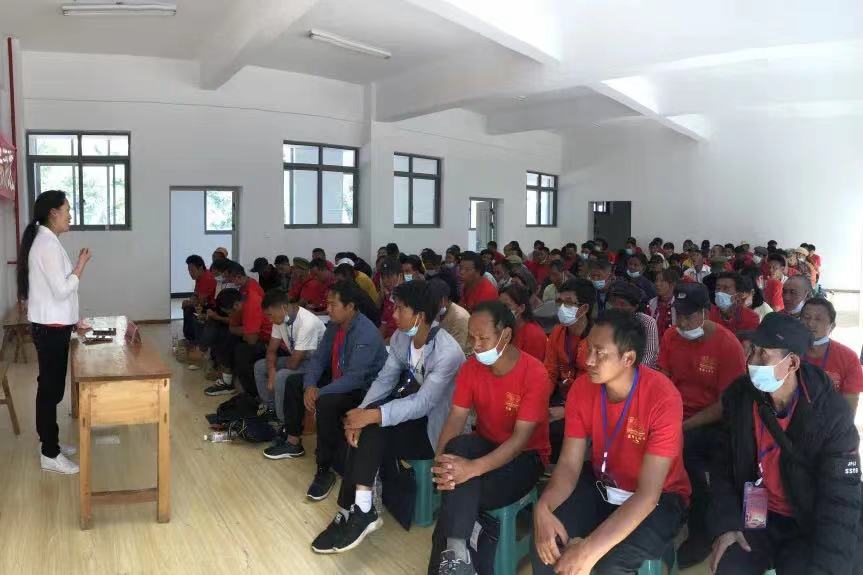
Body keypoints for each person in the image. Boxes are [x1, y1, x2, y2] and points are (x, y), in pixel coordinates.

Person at [311, 280, 466, 554]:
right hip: (411, 413)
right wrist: (362, 412)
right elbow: (385, 380)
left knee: (373, 427)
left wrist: (373, 415)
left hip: (438, 428)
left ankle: (359, 510)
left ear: (419, 315)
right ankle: (353, 510)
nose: (393, 314)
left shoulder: (448, 352)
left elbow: (424, 403)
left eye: (400, 309)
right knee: (364, 428)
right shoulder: (401, 338)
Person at [531, 309, 690, 575]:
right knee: (548, 545)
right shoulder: (582, 388)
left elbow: (648, 495)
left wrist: (589, 549)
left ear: (628, 358)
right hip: (603, 483)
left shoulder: (663, 397)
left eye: (600, 353)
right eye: (588, 349)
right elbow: (569, 464)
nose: (589, 360)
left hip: (661, 498)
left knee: (609, 564)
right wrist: (544, 508)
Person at [707, 313, 862, 575]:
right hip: (756, 517)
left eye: (763, 354)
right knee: (730, 565)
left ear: (791, 363)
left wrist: (828, 567)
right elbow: (721, 466)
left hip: (806, 522)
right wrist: (727, 523)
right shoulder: (740, 396)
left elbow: (841, 499)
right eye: (752, 350)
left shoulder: (830, 414)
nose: (751, 361)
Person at [430, 301, 551, 574]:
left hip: (526, 458)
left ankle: (453, 555)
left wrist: (471, 469)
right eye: (471, 337)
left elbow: (519, 441)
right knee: (455, 450)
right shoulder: (471, 368)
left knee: (459, 486)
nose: (475, 345)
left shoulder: (534, 373)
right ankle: (457, 555)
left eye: (483, 338)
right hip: (486, 445)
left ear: (505, 335)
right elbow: (456, 418)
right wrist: (440, 459)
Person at [657, 282, 747, 566]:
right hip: (675, 415)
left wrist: (682, 427)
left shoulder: (727, 345)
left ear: (706, 312)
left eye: (689, 316)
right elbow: (663, 380)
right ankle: (665, 514)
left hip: (712, 421)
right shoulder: (670, 337)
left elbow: (725, 405)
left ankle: (701, 530)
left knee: (688, 454)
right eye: (678, 315)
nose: (682, 323)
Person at [18, 190, 92, 475]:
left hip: (54, 327)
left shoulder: (46, 240)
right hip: (50, 330)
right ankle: (50, 453)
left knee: (51, 390)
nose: (70, 215)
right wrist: (81, 266)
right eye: (67, 210)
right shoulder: (47, 244)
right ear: (53, 213)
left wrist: (73, 321)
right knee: (50, 392)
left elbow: (52, 292)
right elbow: (62, 291)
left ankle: (51, 443)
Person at [300, 281, 388, 501]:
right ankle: (292, 441)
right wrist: (310, 386)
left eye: (333, 305)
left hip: (365, 392)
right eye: (327, 304)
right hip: (342, 380)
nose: (328, 309)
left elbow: (355, 378)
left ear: (350, 307)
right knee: (297, 382)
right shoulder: (335, 326)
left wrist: (319, 392)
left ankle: (324, 469)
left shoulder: (366, 332)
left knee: (326, 402)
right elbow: (318, 359)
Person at [256, 289, 326, 458]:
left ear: (283, 308)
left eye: (270, 315)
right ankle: (272, 409)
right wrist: (271, 371)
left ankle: (285, 425)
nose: (269, 320)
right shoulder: (280, 319)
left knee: (282, 376)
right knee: (260, 367)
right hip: (297, 358)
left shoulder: (307, 322)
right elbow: (271, 350)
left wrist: (276, 373)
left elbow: (294, 363)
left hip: (315, 365)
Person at [544, 278, 596, 464]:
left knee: (558, 429)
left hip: (588, 403)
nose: (561, 307)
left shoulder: (597, 339)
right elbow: (549, 372)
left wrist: (567, 410)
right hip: (562, 394)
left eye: (568, 302)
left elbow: (597, 389)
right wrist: (539, 401)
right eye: (559, 301)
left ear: (584, 308)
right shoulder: (557, 332)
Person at [204, 262, 272, 397]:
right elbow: (236, 322)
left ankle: (236, 385)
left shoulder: (253, 296)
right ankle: (225, 375)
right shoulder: (243, 290)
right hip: (252, 329)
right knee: (223, 332)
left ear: (238, 277)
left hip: (265, 338)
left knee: (236, 344)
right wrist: (235, 326)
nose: (228, 281)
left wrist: (236, 328)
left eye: (229, 278)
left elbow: (251, 337)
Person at [801, 298, 863, 413]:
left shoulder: (849, 358)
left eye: (818, 319)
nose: (810, 323)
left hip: (829, 421)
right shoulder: (788, 351)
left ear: (832, 326)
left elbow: (849, 409)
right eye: (806, 317)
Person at [606, 281, 659, 369]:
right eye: (615, 303)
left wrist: (630, 373)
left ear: (635, 306)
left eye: (622, 304)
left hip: (641, 371)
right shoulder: (608, 321)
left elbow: (649, 356)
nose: (617, 307)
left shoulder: (648, 322)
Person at [181, 254, 217, 363]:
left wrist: (189, 302)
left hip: (211, 307)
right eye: (189, 270)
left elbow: (201, 301)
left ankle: (195, 343)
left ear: (200, 268)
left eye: (192, 270)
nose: (190, 273)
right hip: (204, 304)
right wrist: (189, 301)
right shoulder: (200, 277)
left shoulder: (207, 278)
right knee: (188, 308)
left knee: (190, 310)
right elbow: (196, 295)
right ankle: (190, 340)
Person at [499, 284, 547, 361]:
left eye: (506, 306)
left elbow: (532, 367)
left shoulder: (533, 335)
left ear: (521, 308)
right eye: (499, 306)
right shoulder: (505, 328)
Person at [430, 278, 471, 356]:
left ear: (444, 300)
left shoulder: (460, 318)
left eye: (433, 301)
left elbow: (456, 350)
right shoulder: (436, 311)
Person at [648, 269, 678, 339]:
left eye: (662, 281)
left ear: (672, 284)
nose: (657, 284)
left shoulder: (678, 304)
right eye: (656, 280)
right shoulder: (651, 303)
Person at [378, 258, 402, 343]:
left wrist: (386, 342)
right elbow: (384, 325)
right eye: (383, 277)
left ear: (400, 276)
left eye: (389, 276)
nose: (385, 281)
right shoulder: (389, 298)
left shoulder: (408, 299)